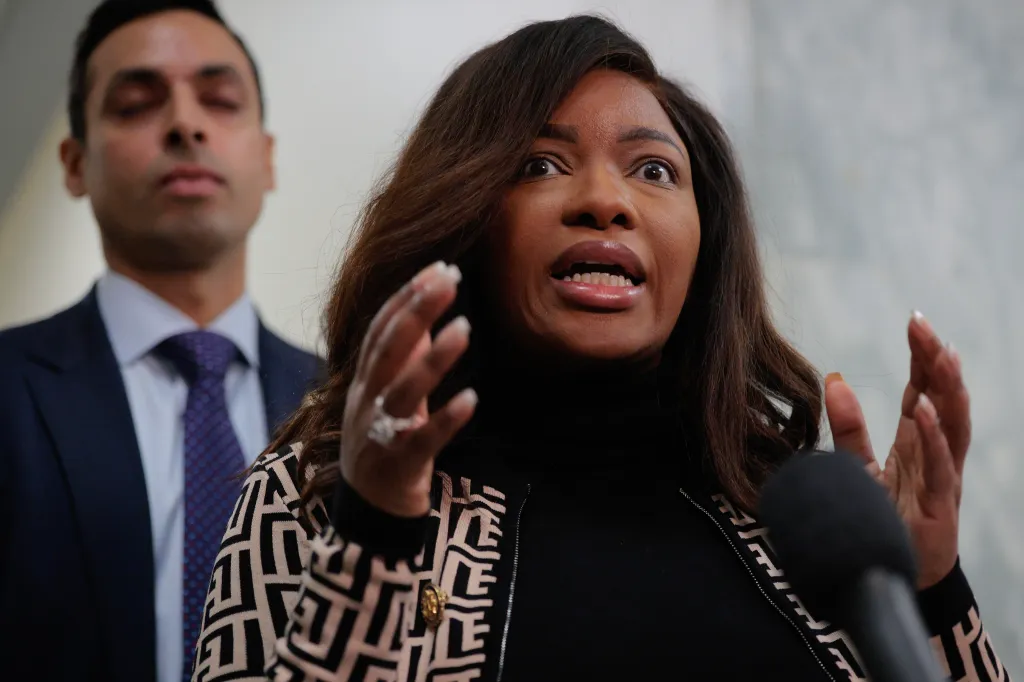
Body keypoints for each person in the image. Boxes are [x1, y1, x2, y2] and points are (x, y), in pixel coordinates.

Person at [190, 15, 1008, 682]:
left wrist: (923, 591)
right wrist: (372, 538)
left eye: (653, 171)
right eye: (541, 164)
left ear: (703, 243)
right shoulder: (320, 483)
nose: (607, 202)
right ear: (466, 215)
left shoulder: (780, 511)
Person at [0, 2, 323, 681]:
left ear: (266, 159)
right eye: (138, 103)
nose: (185, 123)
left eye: (221, 100)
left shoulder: (344, 409)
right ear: (74, 162)